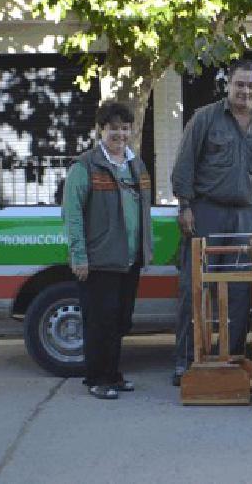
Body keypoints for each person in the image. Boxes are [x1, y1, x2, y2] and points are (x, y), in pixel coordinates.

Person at [170, 59, 252, 386]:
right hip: (206, 214)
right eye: (240, 84)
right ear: (228, 85)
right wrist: (186, 206)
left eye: (251, 85)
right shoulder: (205, 119)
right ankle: (186, 361)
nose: (245, 91)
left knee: (240, 293)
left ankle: (229, 359)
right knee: (195, 289)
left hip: (247, 217)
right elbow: (184, 165)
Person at [62, 101, 153, 399]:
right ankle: (97, 378)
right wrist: (79, 255)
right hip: (99, 260)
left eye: (125, 128)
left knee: (119, 321)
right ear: (101, 130)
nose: (120, 134)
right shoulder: (84, 166)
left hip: (129, 259)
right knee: (99, 321)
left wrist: (144, 251)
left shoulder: (135, 164)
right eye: (113, 128)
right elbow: (72, 214)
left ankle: (113, 375)